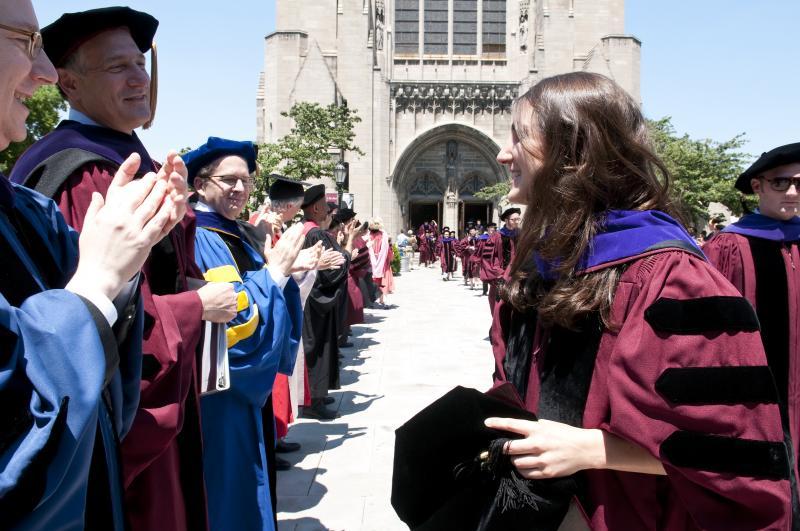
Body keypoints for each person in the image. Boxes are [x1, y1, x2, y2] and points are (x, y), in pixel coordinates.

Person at [486, 72, 790, 529]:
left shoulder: (670, 278)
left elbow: (735, 451)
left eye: (520, 137)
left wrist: (589, 449)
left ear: (574, 151)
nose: (503, 153)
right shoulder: (537, 264)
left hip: (624, 514)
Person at [10, 8, 237, 530]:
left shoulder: (125, 159)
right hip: (118, 438)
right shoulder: (82, 173)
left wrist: (176, 227)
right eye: (118, 68)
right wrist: (194, 306)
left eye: (141, 63)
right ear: (67, 83)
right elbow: (85, 316)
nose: (140, 78)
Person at [183, 138, 310, 531]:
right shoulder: (200, 236)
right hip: (220, 393)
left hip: (241, 397)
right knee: (230, 495)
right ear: (201, 184)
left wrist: (283, 273)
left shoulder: (236, 233)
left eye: (246, 180)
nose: (240, 188)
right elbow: (232, 321)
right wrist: (274, 274)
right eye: (229, 180)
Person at [703, 143, 800, 500]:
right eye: (781, 182)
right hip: (753, 399)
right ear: (757, 186)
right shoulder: (728, 247)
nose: (792, 193)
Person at [301, 184, 349, 420]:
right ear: (317, 207)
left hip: (311, 298)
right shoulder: (315, 234)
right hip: (315, 301)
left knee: (317, 347)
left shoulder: (306, 231)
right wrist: (347, 256)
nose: (329, 212)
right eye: (326, 208)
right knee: (316, 348)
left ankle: (316, 395)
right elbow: (332, 268)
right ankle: (313, 400)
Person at [368, 217, 393, 305]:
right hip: (383, 261)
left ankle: (371, 299)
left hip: (370, 260)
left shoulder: (369, 235)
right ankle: (381, 298)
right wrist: (390, 257)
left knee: (372, 279)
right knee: (382, 279)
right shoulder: (383, 235)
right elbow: (387, 250)